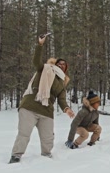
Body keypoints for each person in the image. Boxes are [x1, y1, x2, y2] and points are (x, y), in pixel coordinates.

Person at [9, 35, 75, 164]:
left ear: (65, 69)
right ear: (55, 64)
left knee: (48, 138)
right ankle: (16, 156)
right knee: (24, 133)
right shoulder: (44, 69)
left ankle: (46, 157)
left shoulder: (62, 83)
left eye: (64, 65)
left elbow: (62, 100)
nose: (61, 65)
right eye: (59, 63)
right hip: (30, 106)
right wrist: (40, 45)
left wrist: (67, 109)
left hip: (46, 111)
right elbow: (36, 61)